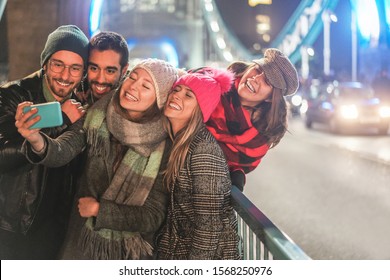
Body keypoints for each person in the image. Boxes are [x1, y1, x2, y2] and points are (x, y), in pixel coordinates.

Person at [59, 58, 179, 260]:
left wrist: (100, 210)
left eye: (146, 86)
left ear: (160, 100)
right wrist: (36, 140)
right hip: (81, 240)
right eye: (132, 77)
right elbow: (62, 149)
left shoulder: (164, 147)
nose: (133, 87)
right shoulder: (98, 115)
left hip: (127, 253)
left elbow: (153, 215)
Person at [0, 25, 89, 259]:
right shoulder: (12, 96)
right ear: (45, 63)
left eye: (75, 68)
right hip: (13, 226)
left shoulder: (82, 106)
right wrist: (60, 120)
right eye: (58, 64)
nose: (65, 76)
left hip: (54, 227)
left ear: (83, 74)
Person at [157, 68, 240, 260]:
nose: (177, 96)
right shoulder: (179, 142)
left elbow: (209, 229)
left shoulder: (204, 150)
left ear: (200, 108)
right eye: (176, 90)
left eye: (188, 95)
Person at [199, 48, 299, 191]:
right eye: (257, 70)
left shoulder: (259, 140)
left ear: (271, 98)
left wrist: (235, 173)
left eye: (267, 82)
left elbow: (235, 165)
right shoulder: (207, 83)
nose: (255, 79)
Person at [76, 31, 129, 106]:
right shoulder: (78, 95)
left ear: (124, 71)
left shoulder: (129, 109)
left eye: (110, 71)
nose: (100, 80)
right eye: (94, 68)